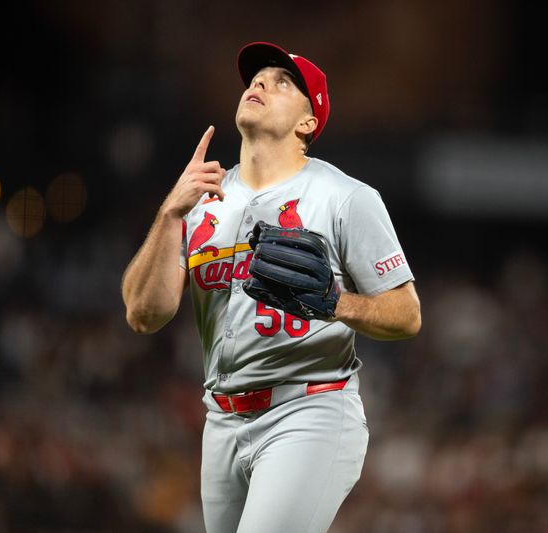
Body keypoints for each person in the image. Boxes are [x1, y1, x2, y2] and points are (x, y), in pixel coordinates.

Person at [121, 41, 421, 533]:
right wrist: (170, 212)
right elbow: (142, 314)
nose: (261, 82)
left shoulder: (344, 197)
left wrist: (337, 303)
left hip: (309, 409)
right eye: (257, 77)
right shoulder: (200, 201)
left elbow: (407, 315)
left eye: (284, 82)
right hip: (221, 419)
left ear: (308, 122)